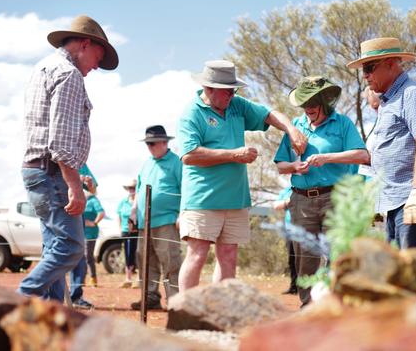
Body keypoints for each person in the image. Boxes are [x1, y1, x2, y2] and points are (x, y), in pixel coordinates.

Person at [177, 60, 308, 292]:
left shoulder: (236, 105)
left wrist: (291, 129)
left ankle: (221, 313)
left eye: (234, 90)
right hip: (202, 199)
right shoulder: (191, 113)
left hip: (236, 199)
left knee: (228, 256)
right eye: (228, 90)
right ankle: (182, 313)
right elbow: (189, 155)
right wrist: (234, 154)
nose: (232, 94)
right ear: (209, 89)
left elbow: (269, 114)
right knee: (197, 255)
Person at [19, 15, 118, 301]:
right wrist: (76, 186)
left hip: (36, 170)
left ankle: (51, 317)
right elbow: (60, 142)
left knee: (54, 247)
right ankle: (19, 299)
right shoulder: (68, 73)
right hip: (50, 173)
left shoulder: (44, 67)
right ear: (85, 44)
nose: (97, 66)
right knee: (72, 249)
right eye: (98, 57)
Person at [274, 75, 370, 306]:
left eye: (313, 103)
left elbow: (362, 155)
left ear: (325, 102)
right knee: (305, 258)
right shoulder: (295, 126)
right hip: (301, 200)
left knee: (338, 254)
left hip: (335, 198)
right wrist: (294, 167)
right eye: (304, 104)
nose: (308, 108)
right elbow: (280, 165)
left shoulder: (343, 124)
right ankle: (308, 307)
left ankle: (335, 306)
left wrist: (326, 158)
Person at [347, 37, 416, 249]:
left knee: (411, 273)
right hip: (394, 201)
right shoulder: (388, 102)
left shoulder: (412, 95)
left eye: (370, 68)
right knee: (397, 274)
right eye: (363, 70)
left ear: (390, 64)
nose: (365, 76)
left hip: (411, 198)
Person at [131, 125, 183, 310]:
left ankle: (175, 302)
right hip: (145, 222)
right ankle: (150, 297)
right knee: (145, 261)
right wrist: (133, 210)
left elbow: (186, 190)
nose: (150, 147)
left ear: (164, 142)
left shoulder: (177, 162)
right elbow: (139, 189)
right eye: (147, 144)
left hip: (167, 220)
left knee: (170, 261)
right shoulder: (147, 163)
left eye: (153, 143)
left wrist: (181, 214)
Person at [68, 190, 104, 309]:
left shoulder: (93, 200)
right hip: (79, 233)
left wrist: (93, 223)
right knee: (81, 260)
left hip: (89, 235)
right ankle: (73, 293)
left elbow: (101, 212)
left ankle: (90, 281)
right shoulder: (77, 196)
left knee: (87, 258)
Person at [272, 187, 297, 295]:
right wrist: (287, 202)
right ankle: (294, 287)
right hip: (290, 229)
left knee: (306, 259)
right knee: (292, 259)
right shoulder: (286, 190)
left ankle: (306, 287)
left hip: (306, 229)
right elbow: (276, 205)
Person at [117, 179, 138, 288]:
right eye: (130, 188)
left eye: (133, 188)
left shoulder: (139, 202)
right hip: (126, 231)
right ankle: (128, 278)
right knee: (128, 253)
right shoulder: (123, 202)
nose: (131, 190)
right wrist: (121, 228)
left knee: (137, 253)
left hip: (137, 231)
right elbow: (119, 216)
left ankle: (139, 278)